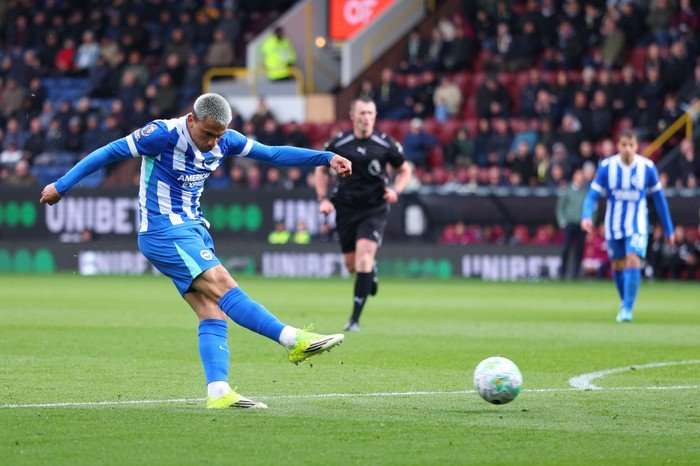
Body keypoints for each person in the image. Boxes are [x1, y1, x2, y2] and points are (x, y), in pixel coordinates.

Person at [39, 93, 352, 409]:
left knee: (211, 310)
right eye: (208, 134)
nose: (214, 143)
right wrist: (61, 186)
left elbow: (271, 154)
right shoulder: (161, 134)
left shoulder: (225, 139)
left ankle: (218, 392)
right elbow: (109, 152)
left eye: (219, 135)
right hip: (163, 230)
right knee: (223, 284)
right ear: (192, 120)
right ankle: (292, 340)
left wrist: (325, 157)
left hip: (193, 228)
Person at [315, 96, 412, 332]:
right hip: (346, 208)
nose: (366, 118)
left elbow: (404, 169)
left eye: (370, 113)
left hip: (374, 208)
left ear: (375, 116)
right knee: (352, 266)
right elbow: (321, 170)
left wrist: (395, 190)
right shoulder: (339, 143)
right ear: (353, 116)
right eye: (362, 113)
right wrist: (324, 199)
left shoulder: (385, 144)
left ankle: (354, 320)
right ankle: (370, 273)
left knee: (364, 257)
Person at [581, 130, 674, 323]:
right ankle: (625, 301)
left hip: (637, 224)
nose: (627, 149)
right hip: (613, 225)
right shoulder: (607, 167)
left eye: (631, 145)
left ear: (636, 146)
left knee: (633, 259)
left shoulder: (647, 167)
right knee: (618, 265)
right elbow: (592, 195)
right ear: (618, 146)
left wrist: (669, 229)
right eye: (623, 145)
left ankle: (628, 309)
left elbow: (660, 200)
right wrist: (586, 216)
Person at [556, 169, 588, 279]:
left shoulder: (586, 191)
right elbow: (560, 207)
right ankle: (563, 272)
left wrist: (589, 221)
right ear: (574, 177)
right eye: (578, 175)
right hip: (569, 223)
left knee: (580, 249)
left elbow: (592, 208)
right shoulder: (567, 190)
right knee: (566, 248)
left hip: (582, 224)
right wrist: (562, 221)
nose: (580, 178)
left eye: (581, 176)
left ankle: (576, 273)